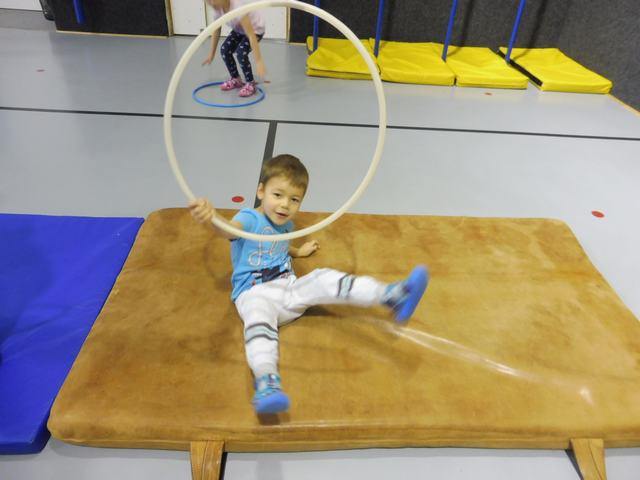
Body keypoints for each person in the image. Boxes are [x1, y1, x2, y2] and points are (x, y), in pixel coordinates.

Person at [189, 154, 429, 414]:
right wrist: (212, 218)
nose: (285, 205)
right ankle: (267, 382)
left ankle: (391, 296)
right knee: (258, 324)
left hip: (289, 290)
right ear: (260, 191)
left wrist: (298, 252)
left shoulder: (286, 225)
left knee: (323, 278)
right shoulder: (248, 218)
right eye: (278, 195)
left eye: (295, 200)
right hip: (254, 294)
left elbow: (277, 243)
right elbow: (229, 230)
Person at [202, 0, 266, 97]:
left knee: (241, 53)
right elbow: (216, 29)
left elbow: (251, 35)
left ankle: (250, 83)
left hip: (254, 30)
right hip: (240, 30)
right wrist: (211, 54)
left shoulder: (238, 7)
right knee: (225, 49)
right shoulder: (218, 9)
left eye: (213, 0)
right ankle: (236, 79)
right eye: (208, 1)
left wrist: (259, 61)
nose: (211, 4)